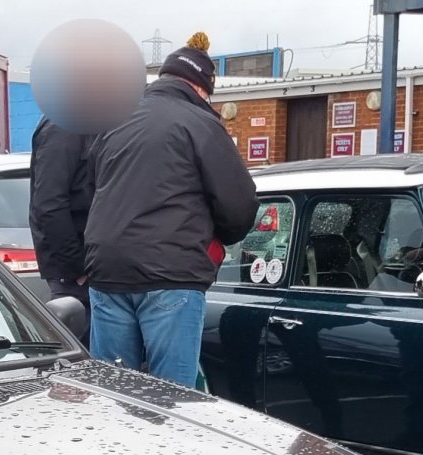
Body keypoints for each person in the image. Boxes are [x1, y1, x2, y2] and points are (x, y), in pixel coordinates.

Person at [82, 31, 258, 387]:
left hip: (107, 271)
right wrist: (217, 238)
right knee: (172, 402)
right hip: (170, 276)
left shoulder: (114, 121)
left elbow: (90, 189)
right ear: (201, 88)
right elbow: (239, 205)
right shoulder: (201, 124)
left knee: (115, 394)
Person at [28, 116, 92, 344]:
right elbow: (49, 204)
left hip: (89, 272)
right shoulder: (64, 125)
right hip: (77, 279)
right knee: (81, 364)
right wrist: (77, 268)